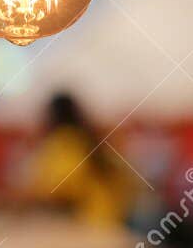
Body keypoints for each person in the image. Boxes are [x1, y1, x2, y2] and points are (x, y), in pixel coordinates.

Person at [22, 92, 134, 227]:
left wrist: (21, 198)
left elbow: (59, 192)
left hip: (92, 225)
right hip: (110, 220)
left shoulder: (65, 141)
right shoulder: (87, 138)